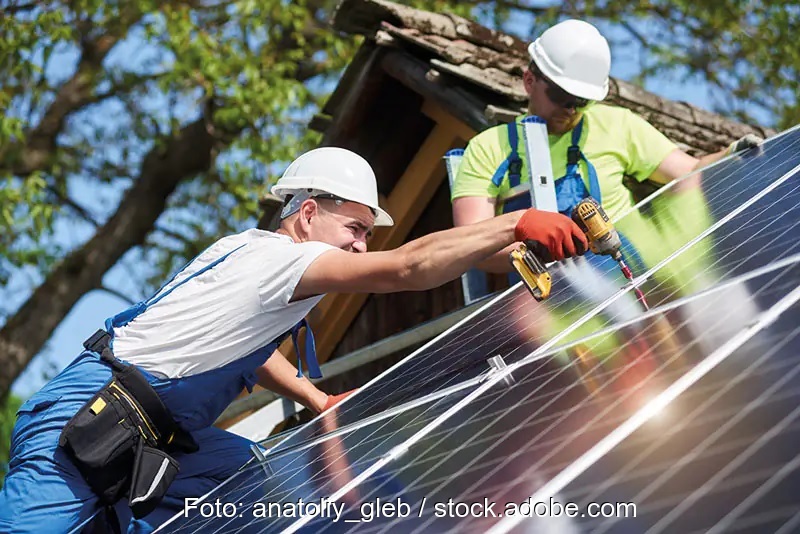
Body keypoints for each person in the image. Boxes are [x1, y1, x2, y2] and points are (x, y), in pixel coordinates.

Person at [0, 146, 588, 533]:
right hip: (87, 421)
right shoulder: (281, 261)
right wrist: (514, 223)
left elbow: (245, 350)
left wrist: (314, 400)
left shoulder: (245, 255)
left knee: (252, 483)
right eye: (356, 229)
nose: (361, 245)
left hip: (153, 429)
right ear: (308, 214)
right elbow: (407, 267)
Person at [451, 18, 762, 274]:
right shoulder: (489, 148)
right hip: (556, 305)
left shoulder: (616, 124)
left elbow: (689, 173)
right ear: (530, 81)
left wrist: (732, 155)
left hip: (643, 276)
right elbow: (472, 243)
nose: (572, 108)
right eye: (562, 96)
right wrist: (539, 250)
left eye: (582, 100)